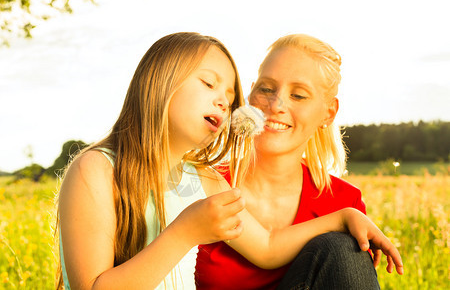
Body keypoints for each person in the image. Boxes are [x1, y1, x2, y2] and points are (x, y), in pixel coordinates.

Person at [56, 32, 402, 290]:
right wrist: (185, 232)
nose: (224, 103)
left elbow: (266, 248)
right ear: (160, 82)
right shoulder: (96, 170)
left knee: (342, 250)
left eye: (230, 97)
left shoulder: (202, 179)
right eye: (209, 84)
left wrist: (343, 216)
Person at [195, 34, 403, 290]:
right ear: (250, 94)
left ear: (329, 112)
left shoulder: (343, 202)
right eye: (267, 89)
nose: (276, 105)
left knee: (342, 247)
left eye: (299, 95)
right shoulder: (202, 185)